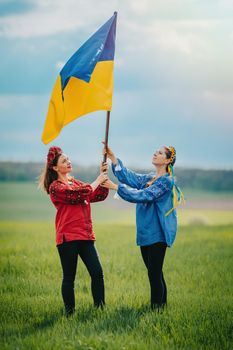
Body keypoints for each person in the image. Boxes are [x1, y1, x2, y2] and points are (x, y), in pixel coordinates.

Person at [101, 144, 184, 311]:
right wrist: (113, 158)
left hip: (158, 233)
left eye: (160, 153)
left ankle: (156, 310)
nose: (155, 153)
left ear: (168, 160)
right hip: (145, 233)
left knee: (154, 274)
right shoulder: (150, 178)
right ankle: (162, 307)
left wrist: (115, 187)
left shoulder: (166, 182)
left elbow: (144, 195)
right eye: (156, 151)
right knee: (155, 273)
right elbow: (130, 177)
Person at [39, 146, 109, 316]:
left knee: (97, 272)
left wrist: (103, 176)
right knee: (69, 277)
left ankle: (99, 310)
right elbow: (80, 194)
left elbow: (98, 195)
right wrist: (97, 180)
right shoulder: (56, 187)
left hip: (85, 235)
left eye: (68, 159)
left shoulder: (76, 183)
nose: (69, 162)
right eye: (64, 161)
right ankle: (70, 313)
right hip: (67, 237)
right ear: (55, 168)